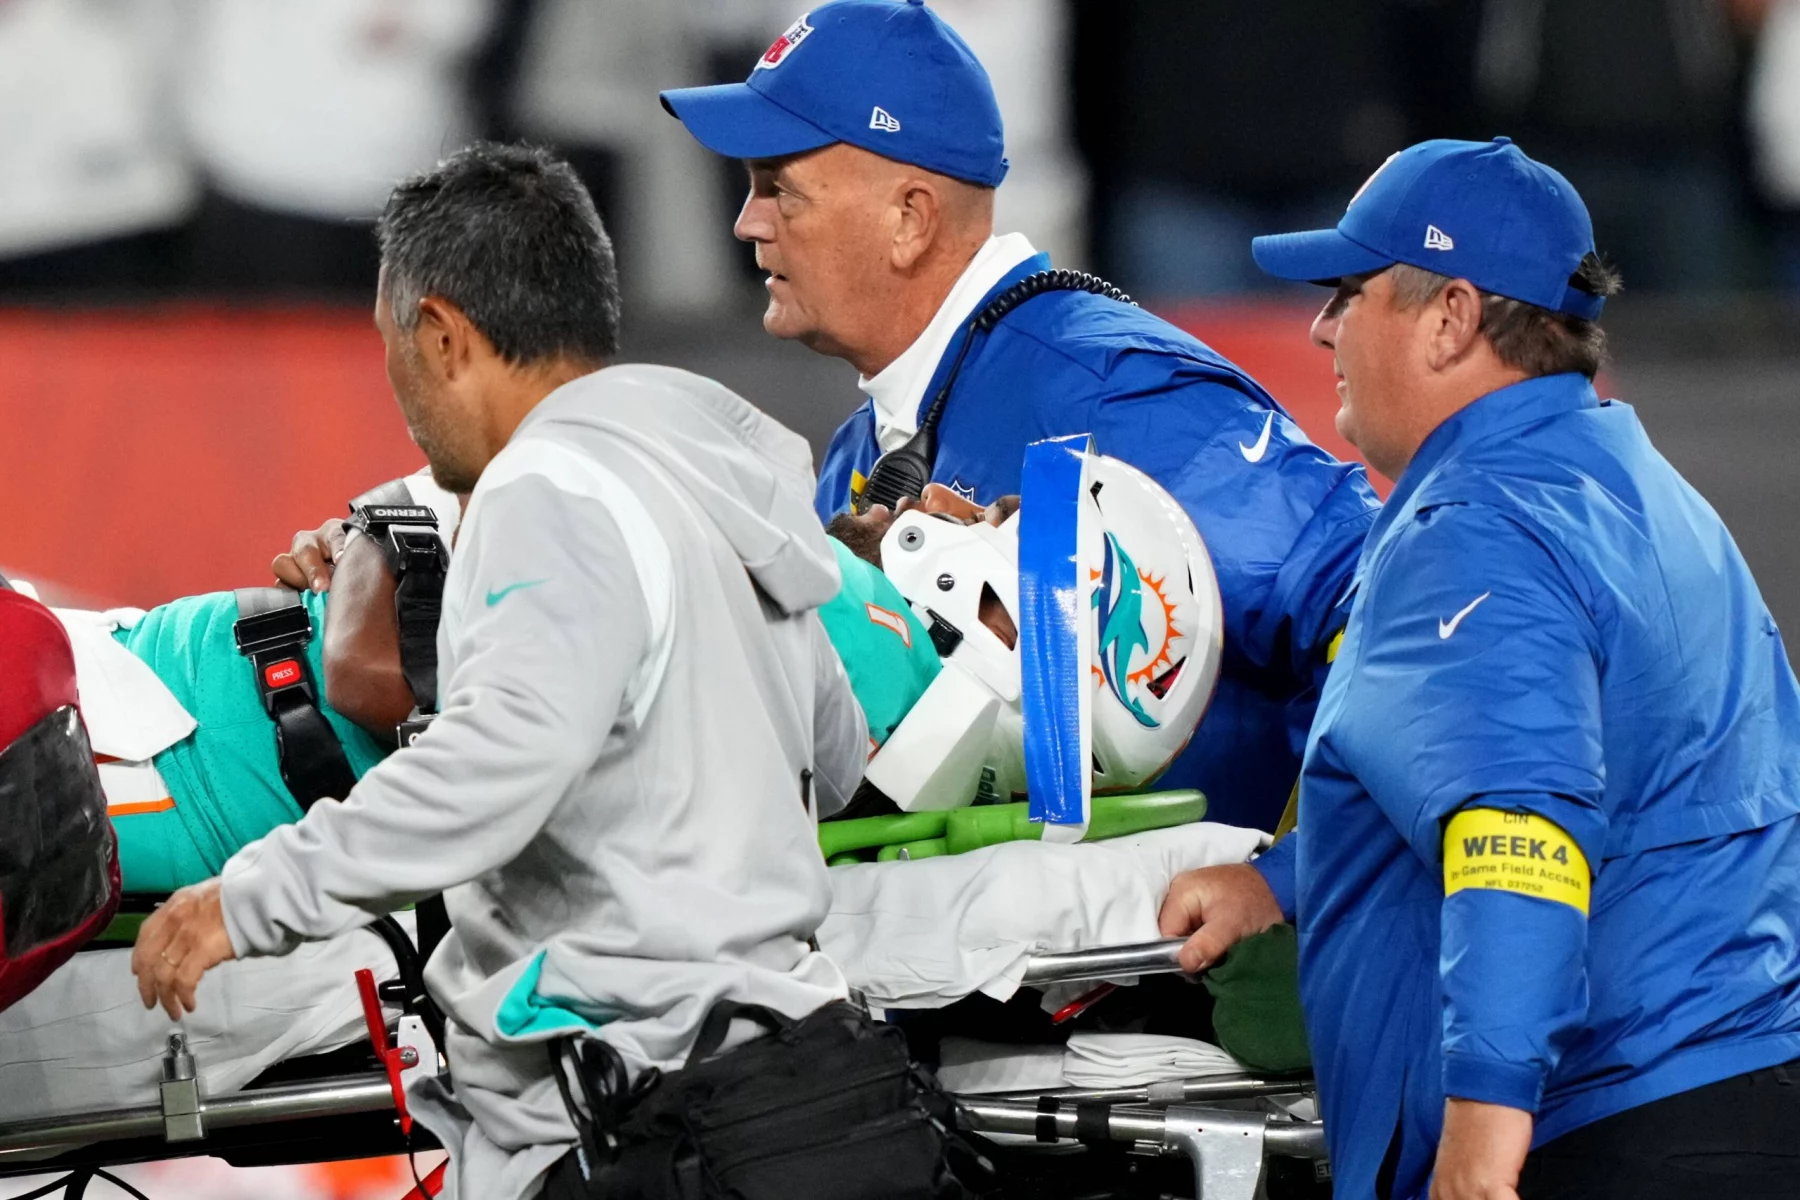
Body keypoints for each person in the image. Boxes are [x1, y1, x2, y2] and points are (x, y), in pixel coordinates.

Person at [128, 142, 960, 1200]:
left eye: (394, 345)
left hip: (661, 1122)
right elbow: (833, 759)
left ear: (441, 334)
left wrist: (245, 902)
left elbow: (498, 764)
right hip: (806, 1098)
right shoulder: (722, 492)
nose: (399, 386)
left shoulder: (548, 488)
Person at [1159, 137, 1800, 1200]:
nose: (1320, 327)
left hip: (1604, 1130)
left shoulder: (1477, 526)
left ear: (1452, 317)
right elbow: (1603, 781)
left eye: (1349, 293)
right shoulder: (1639, 484)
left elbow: (1521, 833)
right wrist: (1282, 883)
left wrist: (1480, 1147)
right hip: (1734, 1088)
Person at [658, 0, 1380, 832]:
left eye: (778, 188)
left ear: (909, 217)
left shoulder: (1111, 389)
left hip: (1179, 958)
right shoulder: (864, 446)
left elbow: (1381, 601)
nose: (747, 222)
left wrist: (1292, 884)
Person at [67, 475, 458, 894]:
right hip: (152, 655)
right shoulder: (517, 480)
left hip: (184, 792)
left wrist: (382, 544)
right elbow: (403, 508)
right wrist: (374, 536)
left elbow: (360, 676)